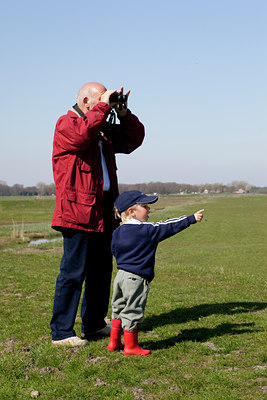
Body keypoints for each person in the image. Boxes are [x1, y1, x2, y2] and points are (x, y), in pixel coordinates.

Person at [50, 83, 145, 347]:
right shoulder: (67, 123)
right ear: (84, 100)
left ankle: (93, 325)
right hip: (76, 209)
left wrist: (122, 112)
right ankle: (61, 333)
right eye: (100, 99)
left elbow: (133, 139)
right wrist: (104, 106)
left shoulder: (101, 130)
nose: (105, 103)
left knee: (101, 271)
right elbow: (81, 135)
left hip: (103, 208)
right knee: (73, 272)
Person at [107, 190, 204, 356]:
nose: (149, 209)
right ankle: (130, 347)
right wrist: (191, 219)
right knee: (133, 310)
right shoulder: (147, 230)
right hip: (136, 278)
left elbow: (113, 251)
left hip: (120, 276)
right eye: (145, 206)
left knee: (118, 307)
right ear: (132, 211)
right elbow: (169, 226)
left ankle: (114, 342)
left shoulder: (117, 232)